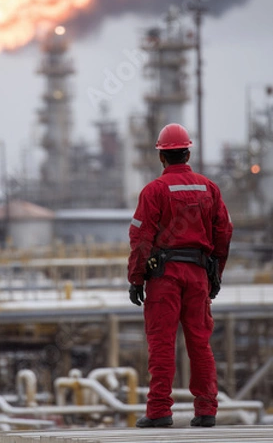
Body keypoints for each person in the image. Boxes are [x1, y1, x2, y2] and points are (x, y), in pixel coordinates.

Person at [128, 123, 232, 428]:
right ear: (187, 153)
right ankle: (206, 411)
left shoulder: (154, 191)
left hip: (164, 277)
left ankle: (159, 411)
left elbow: (141, 238)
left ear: (162, 157)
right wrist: (216, 273)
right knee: (200, 342)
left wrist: (136, 278)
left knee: (162, 343)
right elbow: (224, 232)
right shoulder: (209, 188)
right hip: (198, 274)